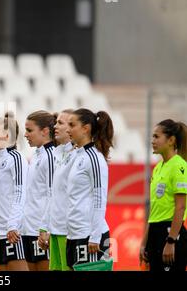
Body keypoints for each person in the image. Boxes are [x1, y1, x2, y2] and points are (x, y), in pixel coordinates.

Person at [65, 108, 113, 269]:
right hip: (74, 234)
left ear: (85, 128)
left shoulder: (95, 158)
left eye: (72, 125)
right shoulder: (78, 155)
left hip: (90, 235)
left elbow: (100, 198)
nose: (67, 129)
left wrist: (95, 236)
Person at [140, 119, 187, 271]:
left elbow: (180, 207)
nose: (152, 141)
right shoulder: (158, 168)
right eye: (152, 137)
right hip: (155, 232)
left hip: (170, 233)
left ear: (171, 140)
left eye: (156, 136)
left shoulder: (180, 166)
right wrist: (144, 243)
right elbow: (155, 211)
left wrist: (171, 241)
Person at [0, 113, 29, 271]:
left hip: (13, 232)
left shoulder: (16, 158)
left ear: (6, 135)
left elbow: (20, 193)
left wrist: (13, 225)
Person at [38, 110, 76, 271]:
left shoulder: (77, 156)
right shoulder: (58, 155)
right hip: (56, 229)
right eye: (56, 122)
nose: (55, 126)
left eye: (61, 123)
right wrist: (44, 226)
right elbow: (54, 195)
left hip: (69, 231)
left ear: (72, 128)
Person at [21, 110, 56, 271]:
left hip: (41, 230)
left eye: (29, 130)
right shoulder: (36, 155)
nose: (26, 135)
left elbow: (52, 194)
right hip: (29, 228)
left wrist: (45, 228)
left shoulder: (50, 156)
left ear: (45, 131)